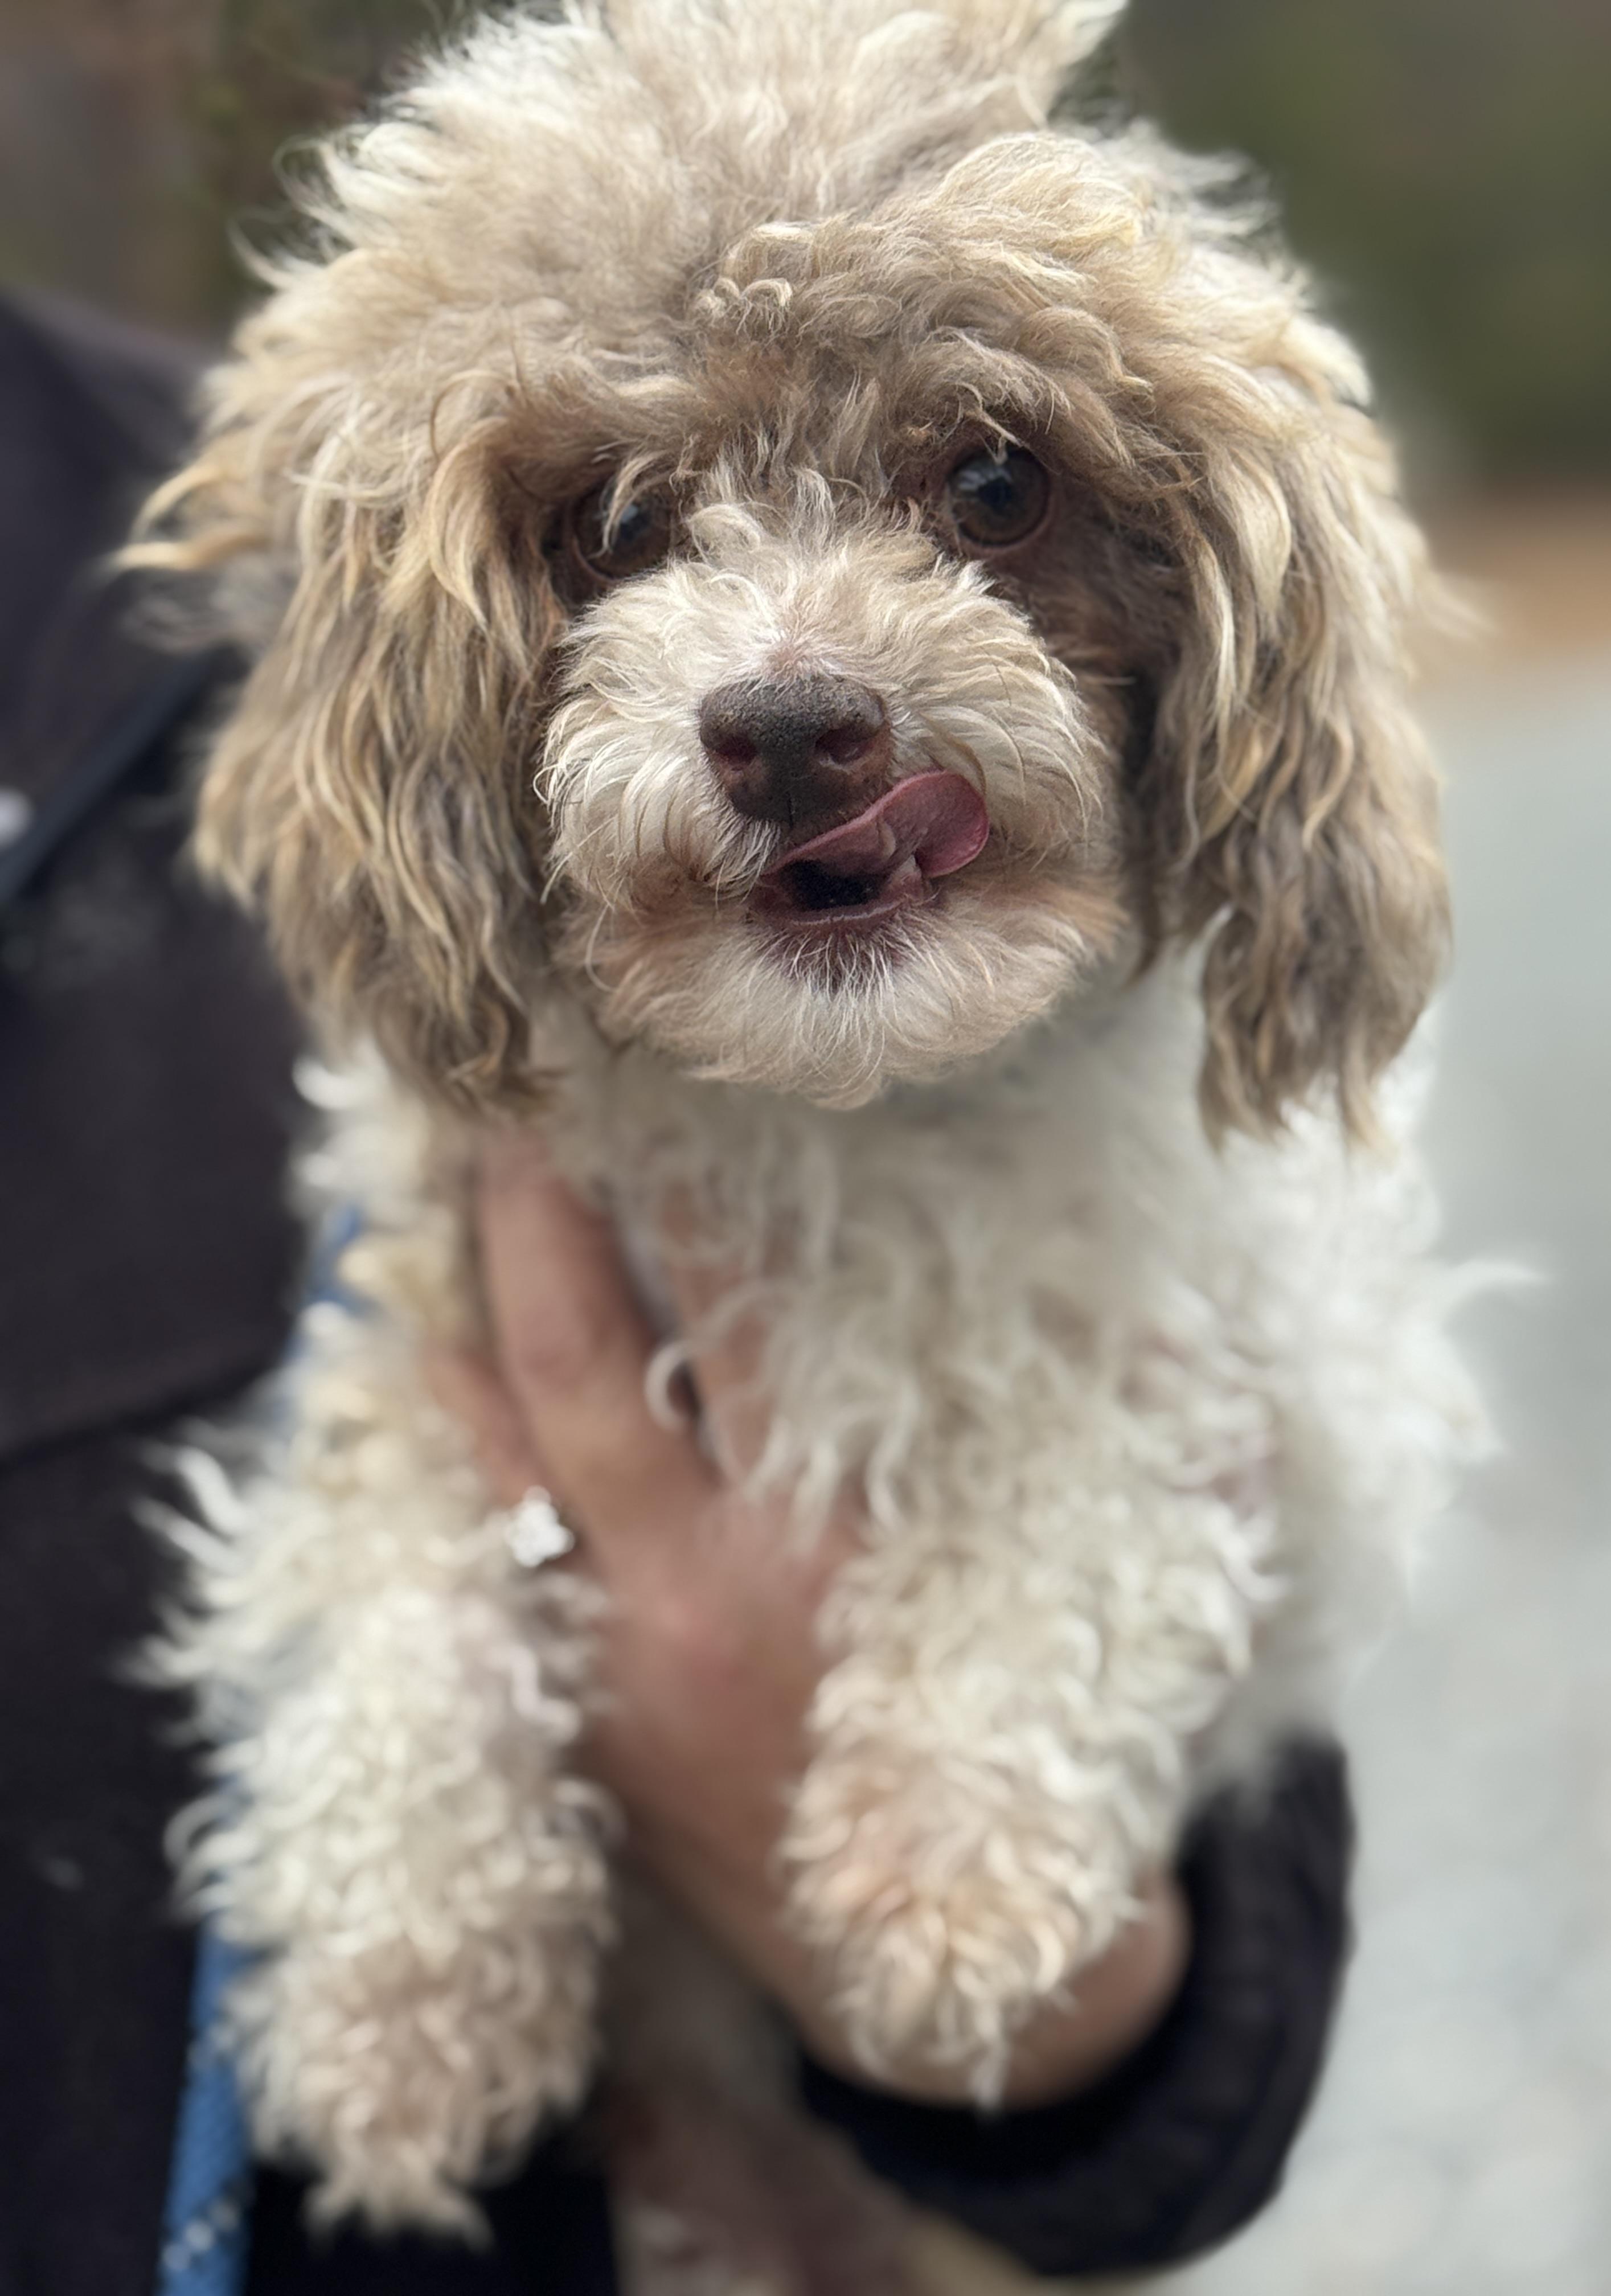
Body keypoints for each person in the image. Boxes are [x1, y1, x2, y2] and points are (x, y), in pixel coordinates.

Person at [0, 289, 1352, 2296]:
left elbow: (1211, 2024)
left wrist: (1049, 2010)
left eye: (975, 487)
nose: (786, 667)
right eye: (626, 529)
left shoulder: (141, 512)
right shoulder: (355, 531)